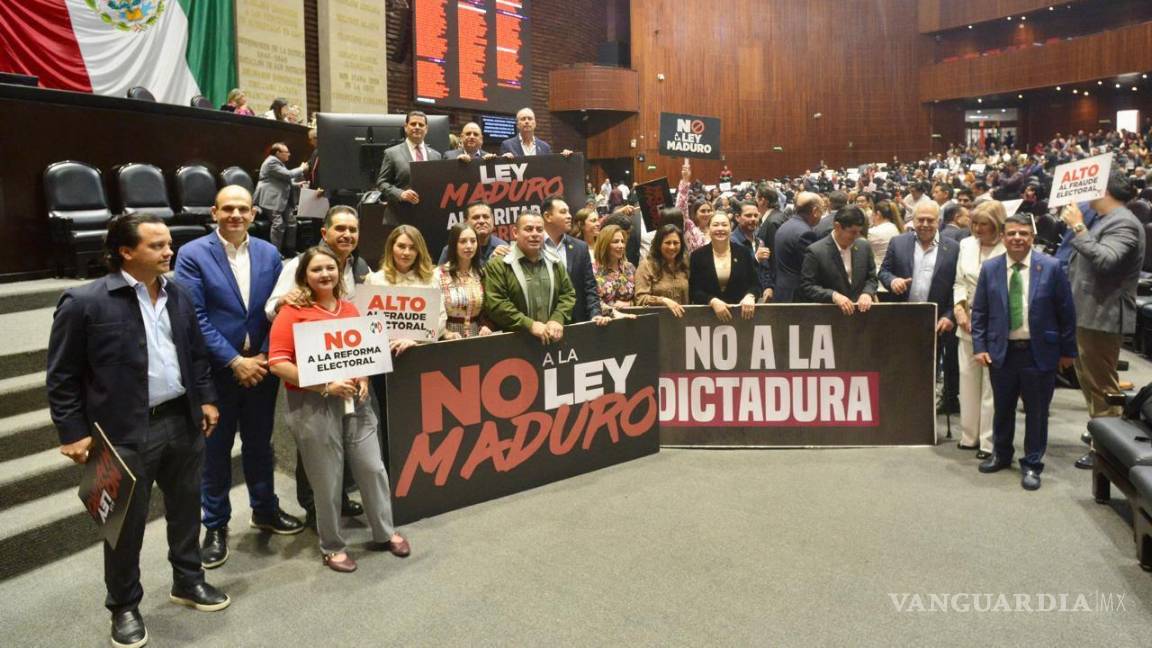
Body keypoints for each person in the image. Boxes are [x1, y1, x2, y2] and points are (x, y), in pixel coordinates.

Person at [47, 214, 228, 648]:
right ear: (125, 252)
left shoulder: (179, 293)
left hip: (180, 420)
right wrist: (71, 432)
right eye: (157, 246)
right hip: (121, 433)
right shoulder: (84, 302)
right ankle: (124, 606)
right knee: (123, 526)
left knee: (186, 508)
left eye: (169, 244)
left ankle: (187, 580)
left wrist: (205, 397)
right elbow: (62, 376)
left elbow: (195, 355)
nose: (170, 252)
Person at [173, 186, 303, 571]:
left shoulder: (268, 252)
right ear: (214, 211)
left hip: (262, 366)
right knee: (215, 451)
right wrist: (234, 361)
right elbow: (194, 318)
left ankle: (264, 509)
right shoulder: (192, 254)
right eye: (227, 208)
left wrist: (263, 355)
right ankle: (214, 526)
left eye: (242, 209)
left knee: (260, 444)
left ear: (253, 213)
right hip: (217, 371)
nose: (235, 215)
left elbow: (274, 308)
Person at [268, 247, 411, 573]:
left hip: (357, 402)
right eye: (316, 269)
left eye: (330, 268)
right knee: (327, 478)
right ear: (305, 275)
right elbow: (277, 363)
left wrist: (361, 377)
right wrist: (324, 386)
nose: (325, 275)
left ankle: (385, 531)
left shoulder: (350, 309)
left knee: (372, 469)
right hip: (314, 406)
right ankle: (332, 546)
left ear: (339, 272)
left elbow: (362, 354)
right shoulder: (292, 311)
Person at [266, 205, 370, 523]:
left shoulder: (360, 264)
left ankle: (336, 496)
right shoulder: (302, 262)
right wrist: (287, 300)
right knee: (314, 441)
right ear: (325, 232)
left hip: (348, 361)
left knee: (342, 433)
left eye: (352, 230)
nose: (347, 235)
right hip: (312, 367)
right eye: (340, 229)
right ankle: (313, 503)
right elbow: (271, 308)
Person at [972, 214, 1077, 490]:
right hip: (1001, 352)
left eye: (1023, 234)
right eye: (1012, 233)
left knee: (1037, 411)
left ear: (1032, 237)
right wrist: (980, 347)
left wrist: (1068, 352)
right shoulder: (991, 268)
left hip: (1039, 352)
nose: (1017, 238)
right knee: (1002, 408)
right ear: (1003, 237)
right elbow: (980, 312)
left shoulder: (1052, 267)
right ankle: (1002, 455)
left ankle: (1032, 464)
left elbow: (1066, 313)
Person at [1063, 173, 1146, 470]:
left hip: (1102, 314)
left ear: (1105, 191)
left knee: (1102, 385)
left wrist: (1077, 226)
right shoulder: (1107, 219)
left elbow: (1107, 260)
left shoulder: (1123, 221)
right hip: (1088, 311)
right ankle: (1100, 432)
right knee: (1088, 378)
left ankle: (1106, 450)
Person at [878, 201, 961, 414]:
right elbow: (884, 271)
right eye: (920, 220)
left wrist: (950, 315)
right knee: (899, 365)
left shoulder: (952, 248)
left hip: (936, 321)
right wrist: (892, 281)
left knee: (929, 369)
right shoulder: (898, 242)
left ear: (939, 222)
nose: (924, 224)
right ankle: (898, 409)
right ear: (912, 221)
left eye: (930, 220)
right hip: (903, 317)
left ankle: (921, 413)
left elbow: (958, 287)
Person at [952, 200, 1007, 459]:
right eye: (974, 223)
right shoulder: (966, 245)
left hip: (996, 323)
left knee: (991, 386)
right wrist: (959, 308)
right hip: (967, 322)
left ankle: (988, 441)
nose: (977, 228)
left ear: (997, 224)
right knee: (967, 379)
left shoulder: (1008, 247)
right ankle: (969, 435)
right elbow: (959, 281)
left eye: (983, 224)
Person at [483, 211, 577, 343]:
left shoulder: (555, 261)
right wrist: (529, 325)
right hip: (512, 343)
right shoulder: (499, 264)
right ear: (515, 232)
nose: (534, 234)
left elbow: (568, 294)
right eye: (528, 229)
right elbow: (497, 304)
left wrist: (557, 318)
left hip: (552, 341)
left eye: (539, 230)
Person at [365, 224, 447, 340]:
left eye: (412, 248)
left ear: (419, 251)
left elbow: (441, 320)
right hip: (386, 350)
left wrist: (415, 340)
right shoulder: (374, 280)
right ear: (391, 248)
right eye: (401, 246)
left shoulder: (431, 280)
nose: (406, 252)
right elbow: (366, 323)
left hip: (421, 349)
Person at [540, 196, 607, 323]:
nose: (569, 216)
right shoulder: (534, 246)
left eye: (569, 211)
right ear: (548, 216)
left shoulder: (580, 248)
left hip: (577, 321)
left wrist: (595, 313)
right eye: (563, 212)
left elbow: (590, 286)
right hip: (545, 324)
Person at [799, 206, 878, 314]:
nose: (857, 236)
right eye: (852, 232)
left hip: (861, 315)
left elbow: (872, 278)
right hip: (830, 315)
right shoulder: (816, 251)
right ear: (837, 226)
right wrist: (833, 295)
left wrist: (867, 293)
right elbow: (808, 286)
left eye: (859, 232)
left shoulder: (864, 246)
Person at [689, 210, 759, 321]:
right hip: (707, 319)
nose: (720, 228)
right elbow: (694, 290)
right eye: (716, 225)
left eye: (724, 225)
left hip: (741, 319)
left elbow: (756, 285)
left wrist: (750, 296)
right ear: (709, 229)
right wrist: (712, 301)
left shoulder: (743, 253)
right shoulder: (697, 256)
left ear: (730, 228)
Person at [375, 110, 443, 224]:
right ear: (406, 127)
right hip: (399, 216)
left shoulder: (436, 155)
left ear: (426, 129)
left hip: (428, 216)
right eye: (413, 124)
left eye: (421, 125)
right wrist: (400, 194)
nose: (417, 127)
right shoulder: (391, 153)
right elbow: (381, 183)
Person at [438, 223, 493, 338]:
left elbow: (487, 309)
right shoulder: (439, 275)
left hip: (477, 337)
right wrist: (445, 334)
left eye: (473, 241)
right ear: (454, 245)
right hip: (448, 337)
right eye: (463, 241)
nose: (469, 246)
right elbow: (434, 314)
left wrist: (485, 326)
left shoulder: (482, 274)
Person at [253, 142, 309, 256]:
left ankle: (289, 249)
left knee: (292, 222)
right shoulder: (271, 161)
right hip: (270, 199)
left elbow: (282, 181)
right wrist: (301, 168)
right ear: (278, 153)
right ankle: (275, 252)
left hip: (281, 199)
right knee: (278, 224)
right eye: (287, 152)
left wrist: (296, 184)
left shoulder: (278, 163)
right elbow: (288, 175)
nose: (289, 154)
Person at [773, 192, 823, 303]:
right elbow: (811, 269)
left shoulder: (785, 225)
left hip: (782, 290)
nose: (822, 214)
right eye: (821, 210)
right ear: (815, 211)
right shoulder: (806, 233)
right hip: (797, 295)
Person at [634, 224, 690, 317]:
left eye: (676, 243)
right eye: (667, 243)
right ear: (659, 244)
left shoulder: (685, 264)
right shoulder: (646, 266)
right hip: (656, 323)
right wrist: (663, 301)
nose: (672, 247)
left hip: (682, 322)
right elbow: (640, 299)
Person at [437, 200, 509, 264]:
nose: (482, 221)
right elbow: (441, 276)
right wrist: (491, 262)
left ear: (493, 219)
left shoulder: (502, 246)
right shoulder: (451, 250)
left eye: (486, 217)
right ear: (465, 222)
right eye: (476, 217)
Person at [730, 200, 773, 300]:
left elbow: (765, 270)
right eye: (748, 216)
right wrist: (755, 259)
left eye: (755, 215)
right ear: (737, 217)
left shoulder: (759, 241)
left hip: (761, 298)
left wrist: (768, 287)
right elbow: (734, 273)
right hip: (741, 299)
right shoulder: (731, 242)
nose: (753, 219)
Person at [593, 224, 636, 315]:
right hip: (604, 322)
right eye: (616, 241)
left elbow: (639, 296)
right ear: (604, 244)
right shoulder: (592, 270)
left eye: (622, 241)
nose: (621, 245)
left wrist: (629, 303)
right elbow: (593, 302)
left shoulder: (629, 268)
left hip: (631, 320)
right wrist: (615, 313)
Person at [499, 107, 572, 157]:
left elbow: (551, 168)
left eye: (530, 119)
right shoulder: (507, 145)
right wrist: (503, 161)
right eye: (523, 119)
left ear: (535, 123)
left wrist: (564, 157)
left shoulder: (545, 147)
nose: (527, 121)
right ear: (517, 125)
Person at [868, 199, 905, 270]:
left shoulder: (873, 232)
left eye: (873, 214)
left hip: (878, 272)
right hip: (893, 271)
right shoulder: (895, 227)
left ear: (878, 214)